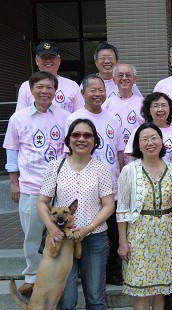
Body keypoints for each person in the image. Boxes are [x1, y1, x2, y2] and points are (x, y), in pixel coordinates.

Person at [37, 118, 115, 310]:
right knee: (66, 299)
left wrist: (88, 227)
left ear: (94, 141)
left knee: (95, 298)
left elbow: (108, 205)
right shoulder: (55, 166)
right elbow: (42, 202)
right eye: (76, 135)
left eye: (87, 135)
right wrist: (52, 228)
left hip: (95, 238)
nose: (81, 139)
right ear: (69, 139)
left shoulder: (101, 168)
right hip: (62, 241)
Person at [3, 71, 69, 295]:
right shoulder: (18, 118)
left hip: (60, 187)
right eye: (40, 87)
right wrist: (14, 182)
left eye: (49, 87)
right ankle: (32, 276)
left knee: (61, 231)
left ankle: (60, 275)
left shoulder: (64, 116)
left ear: (55, 91)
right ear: (31, 90)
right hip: (30, 185)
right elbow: (12, 150)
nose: (44, 91)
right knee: (32, 233)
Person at [117, 122, 172, 310]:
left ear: (162, 141)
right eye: (144, 139)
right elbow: (123, 209)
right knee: (141, 289)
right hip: (139, 233)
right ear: (138, 144)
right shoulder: (129, 170)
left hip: (167, 233)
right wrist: (122, 241)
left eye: (154, 137)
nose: (150, 143)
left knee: (161, 288)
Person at [66, 74, 125, 286]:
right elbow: (67, 154)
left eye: (101, 90)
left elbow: (119, 152)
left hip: (112, 187)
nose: (98, 94)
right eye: (93, 90)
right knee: (84, 230)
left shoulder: (111, 118)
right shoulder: (74, 118)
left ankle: (112, 271)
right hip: (85, 188)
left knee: (112, 232)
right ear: (83, 93)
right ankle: (83, 271)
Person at [16, 41, 83, 113]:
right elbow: (20, 117)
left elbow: (80, 115)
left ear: (59, 61)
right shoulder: (26, 86)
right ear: (37, 61)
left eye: (52, 57)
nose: (48, 60)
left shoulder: (73, 86)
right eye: (44, 57)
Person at [125, 92, 172, 166]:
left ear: (170, 109)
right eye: (156, 106)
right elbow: (132, 158)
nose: (160, 109)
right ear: (148, 110)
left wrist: (167, 169)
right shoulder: (139, 130)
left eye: (164, 105)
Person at [103, 63, 145, 165]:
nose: (124, 78)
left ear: (134, 79)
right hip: (113, 157)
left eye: (128, 75)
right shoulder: (106, 104)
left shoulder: (144, 103)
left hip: (139, 157)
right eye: (120, 75)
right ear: (114, 80)